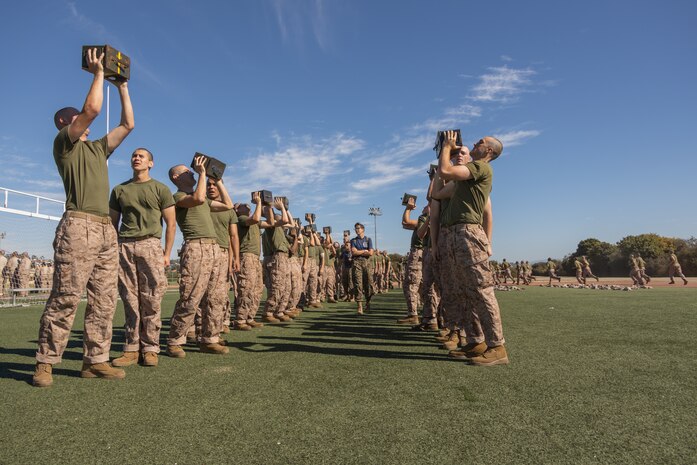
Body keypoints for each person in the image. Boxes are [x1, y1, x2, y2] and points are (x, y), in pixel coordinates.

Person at [34, 48, 134, 387]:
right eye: (79, 119)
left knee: (105, 300)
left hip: (107, 229)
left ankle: (95, 361)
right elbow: (92, 109)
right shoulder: (64, 144)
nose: (87, 121)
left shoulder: (97, 148)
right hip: (78, 226)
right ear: (68, 123)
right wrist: (97, 73)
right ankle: (45, 362)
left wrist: (122, 85)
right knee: (65, 296)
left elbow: (128, 124)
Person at [437, 131, 508, 366]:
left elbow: (446, 171)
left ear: (488, 151)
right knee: (465, 292)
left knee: (481, 291)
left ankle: (497, 347)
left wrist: (446, 147)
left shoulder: (481, 168)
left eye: (480, 142)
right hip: (458, 235)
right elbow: (438, 191)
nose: (475, 143)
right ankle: (476, 340)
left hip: (468, 234)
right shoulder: (469, 174)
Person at [108, 148, 176, 368]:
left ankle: (150, 348)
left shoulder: (161, 189)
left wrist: (166, 253)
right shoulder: (119, 190)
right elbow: (112, 224)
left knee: (152, 298)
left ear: (151, 163)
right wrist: (113, 249)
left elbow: (171, 224)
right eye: (134, 156)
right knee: (130, 299)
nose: (136, 158)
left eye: (141, 156)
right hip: (125, 245)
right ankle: (131, 348)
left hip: (150, 245)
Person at [165, 156, 233, 358]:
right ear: (176, 177)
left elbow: (228, 205)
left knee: (216, 297)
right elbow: (199, 199)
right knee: (191, 297)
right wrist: (203, 173)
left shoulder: (203, 196)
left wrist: (218, 179)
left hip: (214, 249)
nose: (193, 172)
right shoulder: (177, 197)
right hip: (195, 248)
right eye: (188, 171)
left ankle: (209, 339)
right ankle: (175, 340)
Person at [205, 179, 240, 335]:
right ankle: (199, 326)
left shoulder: (229, 210)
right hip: (204, 250)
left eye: (215, 184)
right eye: (209, 184)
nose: (211, 187)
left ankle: (223, 321)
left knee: (221, 292)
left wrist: (235, 259)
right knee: (202, 291)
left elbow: (233, 236)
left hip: (223, 252)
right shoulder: (201, 203)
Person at [233, 195, 267, 330]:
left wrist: (267, 205)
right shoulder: (241, 219)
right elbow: (256, 218)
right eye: (241, 205)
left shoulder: (254, 222)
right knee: (246, 289)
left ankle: (250, 317)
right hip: (246, 256)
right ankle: (240, 320)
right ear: (237, 210)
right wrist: (258, 203)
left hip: (256, 258)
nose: (245, 205)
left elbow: (272, 222)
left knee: (257, 289)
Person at [400, 199, 426, 323]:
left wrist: (409, 208)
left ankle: (413, 314)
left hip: (418, 252)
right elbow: (405, 224)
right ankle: (429, 317)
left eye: (427, 205)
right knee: (422, 285)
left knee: (411, 284)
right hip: (423, 253)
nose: (424, 207)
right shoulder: (427, 219)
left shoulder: (425, 219)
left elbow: (405, 221)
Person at [350, 223, 374, 315]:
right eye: (355, 228)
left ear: (363, 229)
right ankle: (359, 306)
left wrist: (359, 252)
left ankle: (368, 303)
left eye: (358, 228)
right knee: (358, 284)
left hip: (367, 263)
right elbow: (354, 252)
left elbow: (371, 253)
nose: (357, 230)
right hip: (357, 263)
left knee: (368, 283)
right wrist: (364, 251)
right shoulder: (353, 241)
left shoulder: (368, 239)